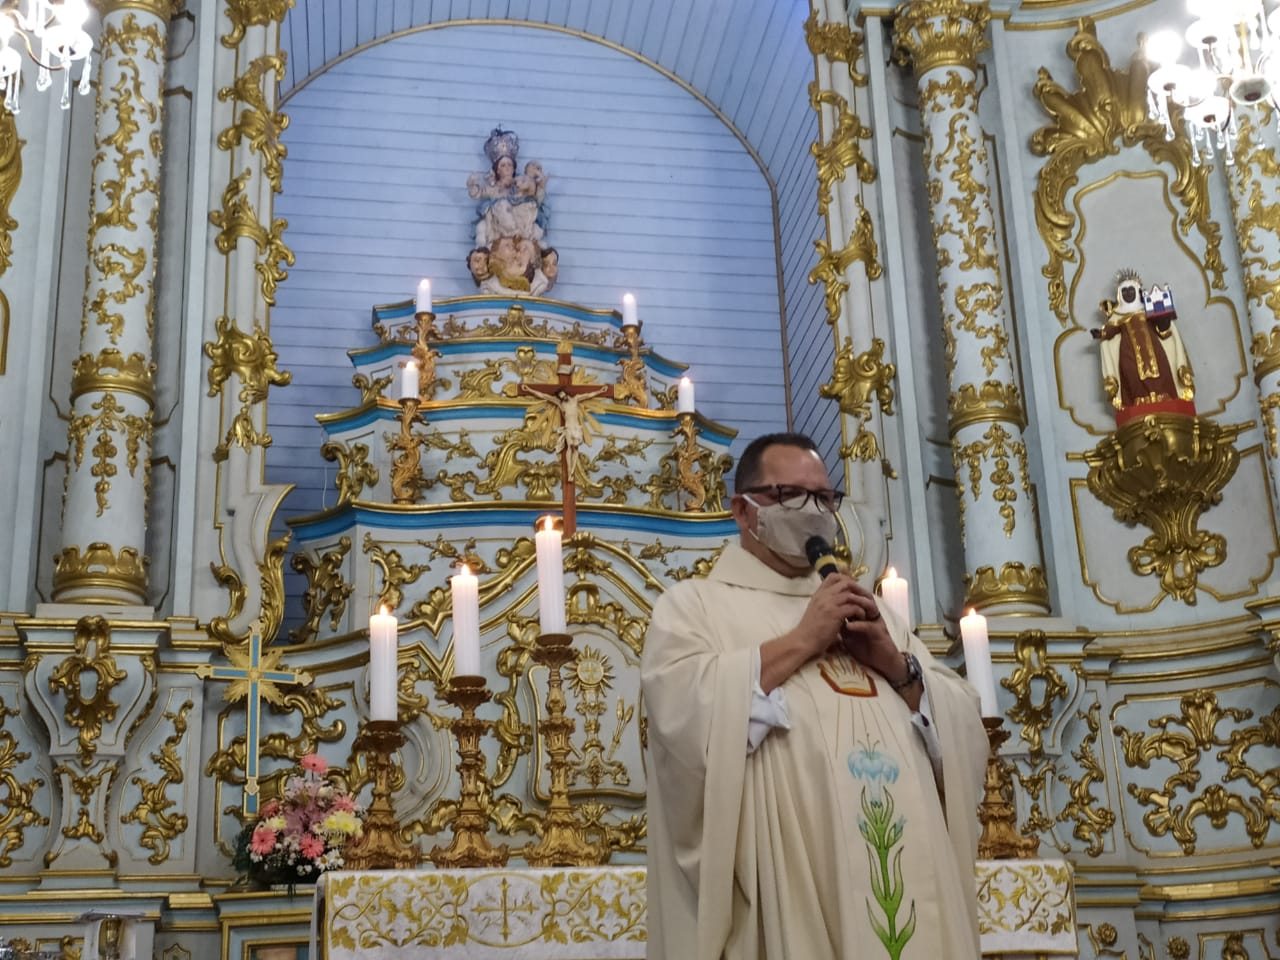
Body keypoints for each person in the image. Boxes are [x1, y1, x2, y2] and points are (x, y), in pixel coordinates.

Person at [642, 432, 989, 960]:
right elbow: (683, 719)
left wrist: (898, 666)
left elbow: (961, 722)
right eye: (791, 496)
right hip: (794, 889)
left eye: (825, 499)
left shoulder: (869, 611)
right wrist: (803, 639)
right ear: (744, 509)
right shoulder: (694, 607)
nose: (814, 511)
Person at [1091, 270, 1194, 413]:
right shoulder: (1118, 316)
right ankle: (1139, 400)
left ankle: (1163, 396)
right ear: (1120, 295)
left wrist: (1164, 321)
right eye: (1125, 291)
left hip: (1153, 348)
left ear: (1137, 291)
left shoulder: (1148, 309)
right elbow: (1111, 330)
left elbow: (1164, 330)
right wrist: (1101, 333)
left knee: (1161, 370)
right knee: (1132, 375)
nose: (1128, 294)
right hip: (1129, 353)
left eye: (1131, 290)